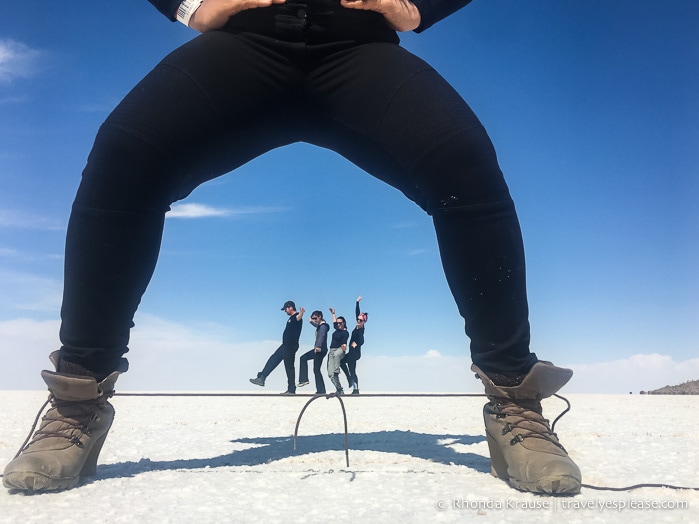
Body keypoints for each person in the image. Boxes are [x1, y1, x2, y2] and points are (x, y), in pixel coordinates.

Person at [3, 0, 582, 496]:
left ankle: (515, 403)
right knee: (123, 157)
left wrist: (420, 7)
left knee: (467, 167)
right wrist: (188, 6)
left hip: (358, 48)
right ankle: (78, 403)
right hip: (246, 43)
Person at [249, 300, 304, 394]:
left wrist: (302, 313)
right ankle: (262, 377)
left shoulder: (296, 317)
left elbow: (298, 318)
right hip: (285, 345)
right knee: (274, 358)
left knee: (289, 367)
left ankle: (291, 389)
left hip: (290, 346)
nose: (285, 311)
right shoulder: (291, 318)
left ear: (290, 307)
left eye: (285, 309)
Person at [297, 310, 329, 394]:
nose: (314, 320)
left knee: (305, 360)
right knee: (316, 369)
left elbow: (322, 335)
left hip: (319, 350)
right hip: (320, 350)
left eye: (315, 318)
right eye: (313, 318)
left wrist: (318, 346)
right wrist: (311, 322)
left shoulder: (323, 327)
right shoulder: (321, 326)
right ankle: (321, 390)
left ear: (320, 317)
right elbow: (317, 326)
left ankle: (304, 380)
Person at [340, 296, 366, 394]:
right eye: (358, 320)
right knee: (342, 362)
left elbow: (362, 341)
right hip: (351, 352)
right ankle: (349, 378)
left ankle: (356, 389)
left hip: (355, 353)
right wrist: (357, 302)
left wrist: (357, 344)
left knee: (352, 370)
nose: (358, 321)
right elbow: (357, 313)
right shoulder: (357, 326)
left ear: (364, 322)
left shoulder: (361, 330)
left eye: (360, 320)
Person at [327, 308, 349, 394]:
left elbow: (344, 345)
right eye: (338, 323)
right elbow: (334, 322)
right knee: (330, 375)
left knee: (336, 355)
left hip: (341, 349)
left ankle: (337, 371)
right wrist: (333, 314)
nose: (338, 324)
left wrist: (343, 351)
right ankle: (339, 389)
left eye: (340, 323)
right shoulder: (336, 328)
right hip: (331, 351)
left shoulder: (345, 332)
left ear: (344, 323)